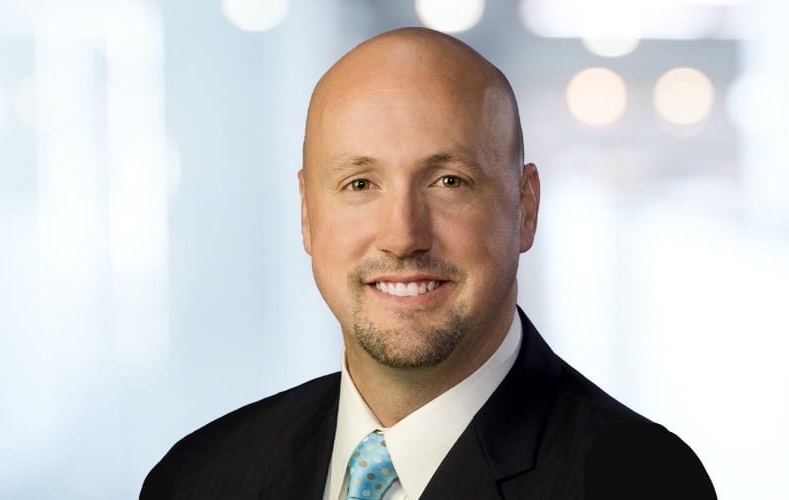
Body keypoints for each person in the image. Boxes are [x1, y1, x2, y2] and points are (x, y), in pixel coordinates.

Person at [140, 27, 716, 499]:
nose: (402, 236)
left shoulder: (640, 482)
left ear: (526, 208)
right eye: (360, 183)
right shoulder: (196, 478)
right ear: (308, 216)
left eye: (449, 181)